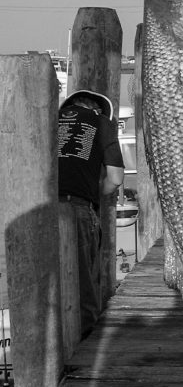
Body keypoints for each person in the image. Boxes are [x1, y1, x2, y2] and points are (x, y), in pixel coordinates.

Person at [58, 90, 125, 337]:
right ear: (97, 108)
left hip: (39, 208)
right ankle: (86, 348)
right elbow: (116, 178)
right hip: (78, 208)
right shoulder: (100, 121)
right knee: (84, 283)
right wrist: (94, 192)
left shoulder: (51, 120)